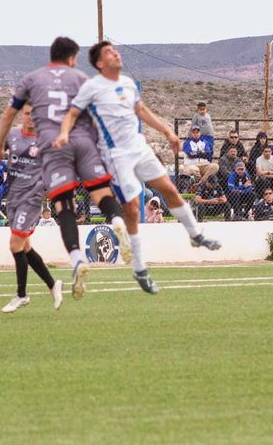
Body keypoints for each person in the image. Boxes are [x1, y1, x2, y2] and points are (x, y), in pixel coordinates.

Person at [54, 41, 222, 294]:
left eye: (115, 50)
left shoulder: (127, 83)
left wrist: (168, 132)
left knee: (169, 189)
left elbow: (141, 110)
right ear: (100, 63)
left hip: (140, 148)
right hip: (116, 155)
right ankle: (140, 268)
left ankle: (195, 234)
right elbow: (72, 113)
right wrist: (64, 133)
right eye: (110, 52)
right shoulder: (92, 87)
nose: (116, 54)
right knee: (132, 208)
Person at [0, 36, 128, 301]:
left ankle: (75, 259)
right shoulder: (81, 78)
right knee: (100, 192)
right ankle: (117, 221)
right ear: (72, 58)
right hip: (82, 142)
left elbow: (8, 113)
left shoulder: (32, 79)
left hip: (55, 147)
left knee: (63, 205)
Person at [0, 103, 64, 314]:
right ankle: (53, 285)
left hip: (32, 199)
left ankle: (21, 294)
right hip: (13, 198)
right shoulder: (13, 136)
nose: (30, 118)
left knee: (15, 243)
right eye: (26, 114)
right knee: (25, 247)